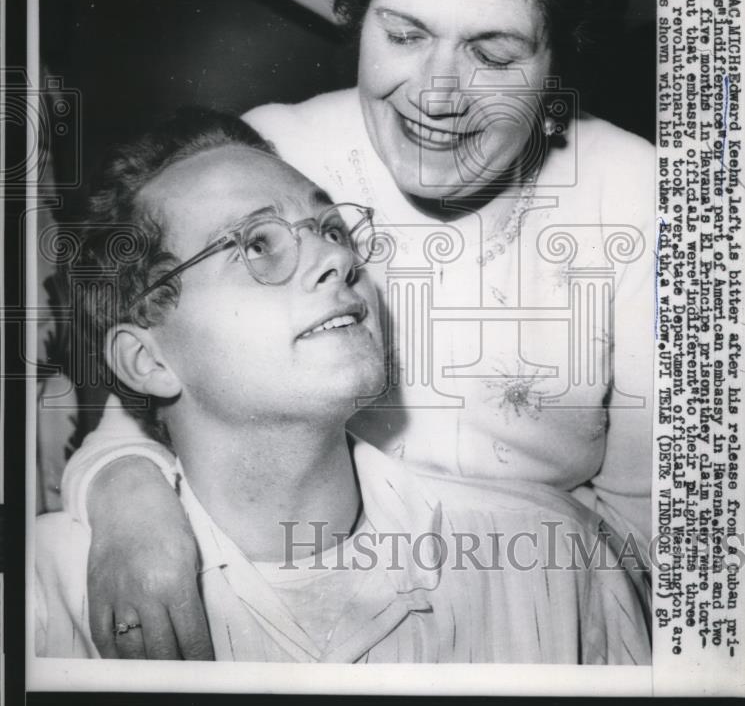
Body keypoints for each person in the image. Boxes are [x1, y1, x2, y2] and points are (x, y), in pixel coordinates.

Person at [58, 0, 655, 659]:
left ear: (559, 65)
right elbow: (144, 367)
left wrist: (510, 608)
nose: (436, 95)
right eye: (404, 35)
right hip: (278, 591)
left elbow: (652, 535)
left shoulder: (646, 200)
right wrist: (125, 496)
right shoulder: (270, 157)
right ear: (360, 17)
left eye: (491, 53)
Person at [36, 108, 651, 663]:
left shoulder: (559, 566)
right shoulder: (44, 601)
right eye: (256, 244)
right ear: (145, 360)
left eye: (331, 228)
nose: (340, 258)